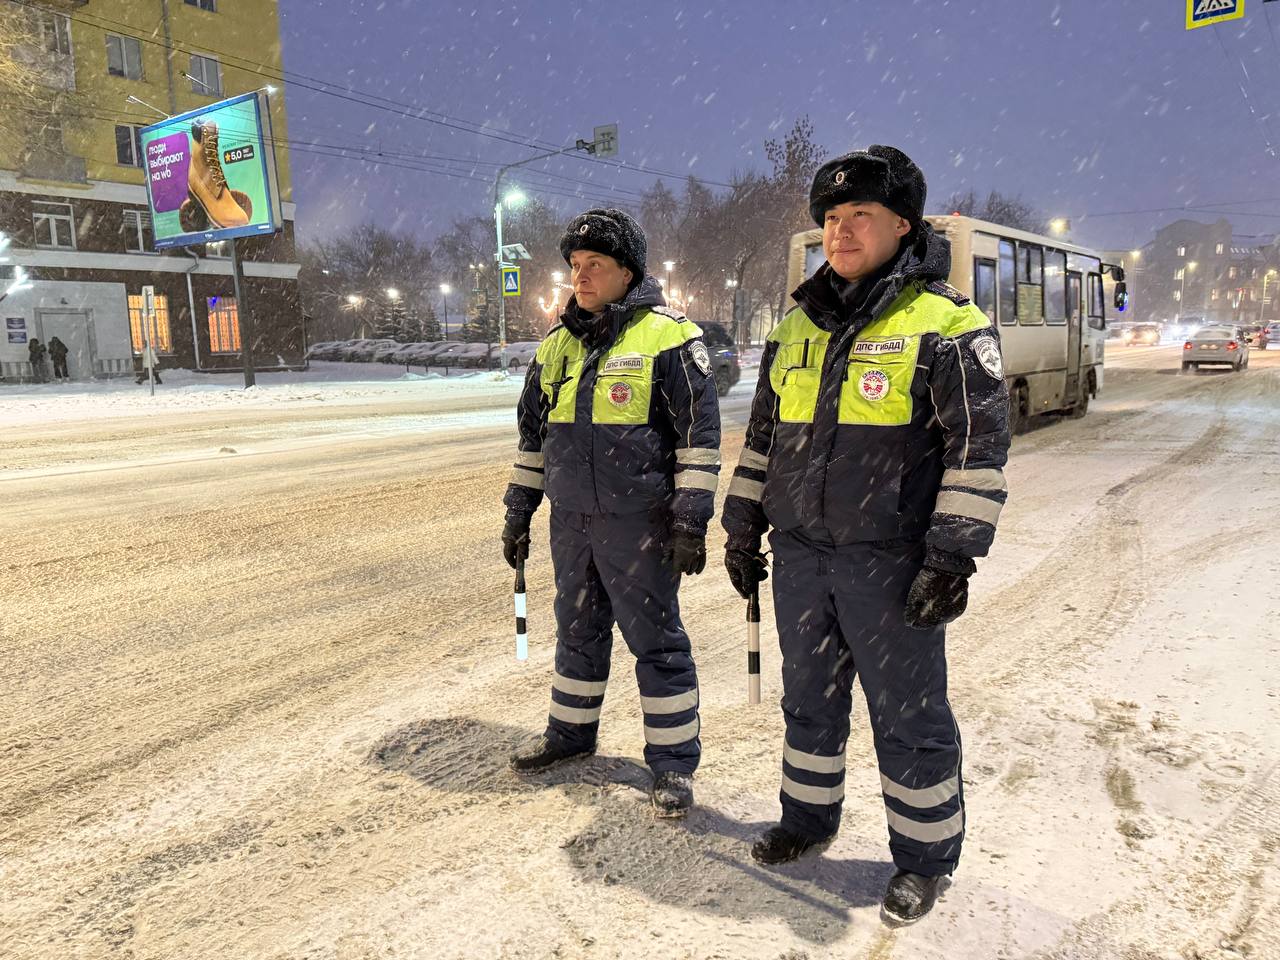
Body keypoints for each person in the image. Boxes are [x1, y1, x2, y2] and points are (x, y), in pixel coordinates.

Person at [721, 145, 1011, 923]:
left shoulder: (947, 325)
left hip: (891, 565)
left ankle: (924, 860)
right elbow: (761, 441)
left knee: (908, 716)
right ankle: (806, 821)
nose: (840, 233)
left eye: (860, 217)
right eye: (831, 219)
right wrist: (741, 522)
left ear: (903, 225)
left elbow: (977, 453)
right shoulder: (795, 326)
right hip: (803, 560)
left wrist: (951, 557)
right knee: (808, 703)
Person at [502, 208, 721, 818]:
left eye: (595, 265)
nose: (582, 277)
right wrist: (519, 510)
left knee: (655, 642)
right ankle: (571, 735)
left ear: (628, 271)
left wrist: (689, 520)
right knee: (576, 630)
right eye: (575, 266)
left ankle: (673, 766)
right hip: (571, 522)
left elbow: (698, 443)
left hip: (640, 522)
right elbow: (532, 439)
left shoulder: (671, 338)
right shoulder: (556, 344)